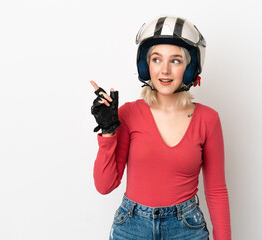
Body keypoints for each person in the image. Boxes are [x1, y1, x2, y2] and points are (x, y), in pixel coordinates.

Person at [90, 15, 231, 240]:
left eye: (175, 60)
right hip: (131, 227)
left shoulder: (208, 119)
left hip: (186, 228)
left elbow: (216, 191)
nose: (164, 70)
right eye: (156, 59)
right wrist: (108, 131)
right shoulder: (129, 113)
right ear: (146, 66)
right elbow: (104, 186)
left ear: (189, 67)